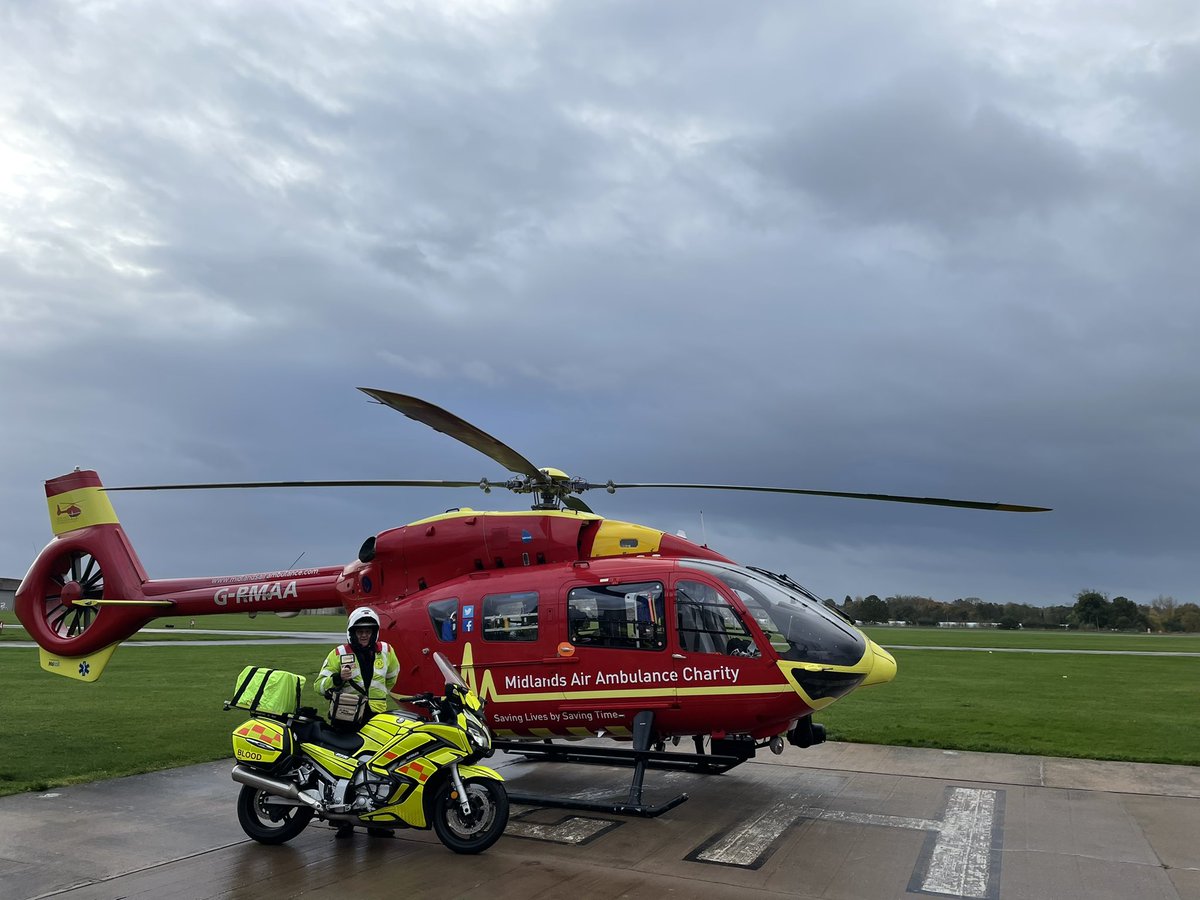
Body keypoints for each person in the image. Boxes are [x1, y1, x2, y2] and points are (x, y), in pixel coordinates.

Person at [315, 606, 400, 839]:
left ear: (375, 632)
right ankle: (343, 822)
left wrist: (376, 697)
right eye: (360, 630)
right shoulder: (339, 652)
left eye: (368, 631)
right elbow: (318, 685)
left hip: (377, 719)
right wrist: (335, 678)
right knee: (343, 768)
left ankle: (376, 822)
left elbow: (393, 676)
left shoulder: (386, 652)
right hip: (347, 720)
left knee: (379, 769)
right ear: (352, 631)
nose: (364, 635)